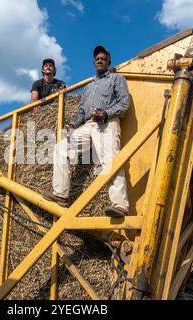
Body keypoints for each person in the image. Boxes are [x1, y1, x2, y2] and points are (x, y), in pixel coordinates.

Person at [41, 46, 131, 217]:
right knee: (61, 148)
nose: (100, 60)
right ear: (93, 62)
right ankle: (61, 194)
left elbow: (124, 103)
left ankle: (120, 205)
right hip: (88, 125)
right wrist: (73, 125)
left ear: (108, 61)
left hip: (107, 123)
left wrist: (106, 113)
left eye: (103, 58)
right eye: (97, 58)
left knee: (110, 160)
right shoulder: (88, 87)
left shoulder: (117, 79)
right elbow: (81, 111)